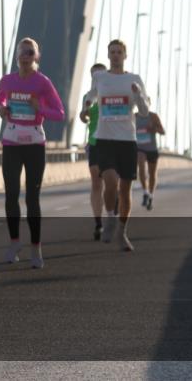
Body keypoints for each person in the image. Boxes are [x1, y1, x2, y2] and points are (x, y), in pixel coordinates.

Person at [0, 38, 65, 268]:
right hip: (12, 140)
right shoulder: (7, 80)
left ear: (37, 56)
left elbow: (59, 113)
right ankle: (14, 242)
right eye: (22, 51)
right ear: (17, 56)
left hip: (35, 142)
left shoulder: (43, 82)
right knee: (11, 194)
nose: (25, 55)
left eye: (30, 52)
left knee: (32, 198)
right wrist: (2, 109)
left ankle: (36, 248)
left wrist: (40, 108)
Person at [82, 39, 149, 252]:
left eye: (119, 52)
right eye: (112, 52)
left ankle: (122, 231)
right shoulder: (100, 77)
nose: (116, 55)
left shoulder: (134, 79)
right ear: (108, 55)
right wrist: (85, 108)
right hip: (105, 140)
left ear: (125, 55)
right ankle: (109, 217)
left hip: (127, 141)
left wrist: (137, 95)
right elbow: (89, 96)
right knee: (109, 181)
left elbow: (145, 111)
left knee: (125, 189)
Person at [79, 63, 107, 240]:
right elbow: (83, 116)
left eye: (100, 74)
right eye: (93, 75)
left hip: (113, 141)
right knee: (97, 182)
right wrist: (85, 113)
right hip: (94, 142)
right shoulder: (88, 96)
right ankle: (98, 222)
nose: (96, 78)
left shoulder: (112, 93)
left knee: (113, 182)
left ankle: (114, 208)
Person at [135, 110, 166, 211]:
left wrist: (154, 128)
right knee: (141, 168)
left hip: (152, 149)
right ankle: (145, 192)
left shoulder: (153, 116)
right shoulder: (134, 116)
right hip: (139, 148)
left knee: (152, 174)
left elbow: (163, 131)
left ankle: (151, 196)